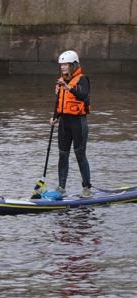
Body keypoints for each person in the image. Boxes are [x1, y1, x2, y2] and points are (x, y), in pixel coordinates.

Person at [50, 50, 92, 197]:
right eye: (61, 65)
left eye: (66, 65)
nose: (63, 68)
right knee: (63, 155)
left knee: (80, 154)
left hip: (78, 122)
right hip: (64, 123)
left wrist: (69, 88)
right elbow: (59, 103)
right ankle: (61, 187)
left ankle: (87, 188)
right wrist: (55, 117)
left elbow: (83, 95)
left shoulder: (82, 79)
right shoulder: (60, 81)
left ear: (73, 65)